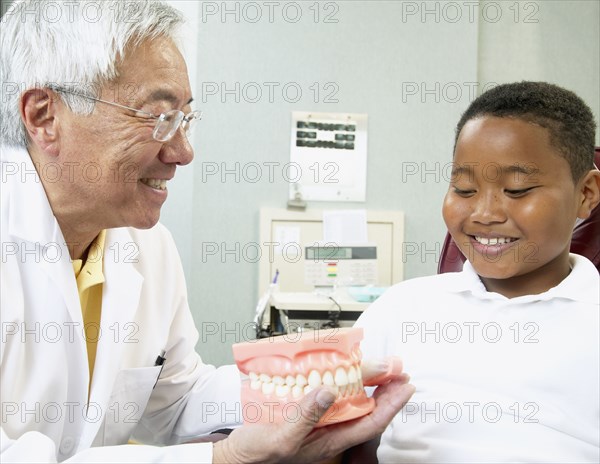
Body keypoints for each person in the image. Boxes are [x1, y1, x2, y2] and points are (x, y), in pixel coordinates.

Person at [0, 1, 415, 462]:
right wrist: (224, 458)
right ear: (43, 117)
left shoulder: (146, 246)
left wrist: (303, 384)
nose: (183, 152)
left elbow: (175, 400)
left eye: (185, 119)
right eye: (159, 118)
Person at [355, 81, 600, 462]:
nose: (484, 214)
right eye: (465, 190)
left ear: (586, 194)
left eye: (517, 190)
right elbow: (317, 412)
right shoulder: (405, 306)